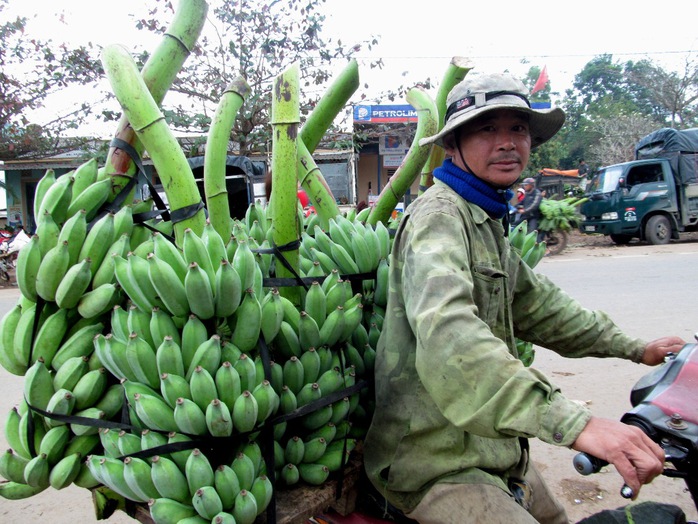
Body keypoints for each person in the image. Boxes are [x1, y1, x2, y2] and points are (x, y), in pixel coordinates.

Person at [362, 72, 685, 524]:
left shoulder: (485, 217)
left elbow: (543, 306)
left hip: (493, 450)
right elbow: (452, 339)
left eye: (517, 128)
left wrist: (635, 347)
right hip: (433, 461)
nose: (507, 142)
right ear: (454, 144)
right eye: (487, 128)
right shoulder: (438, 219)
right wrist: (578, 424)